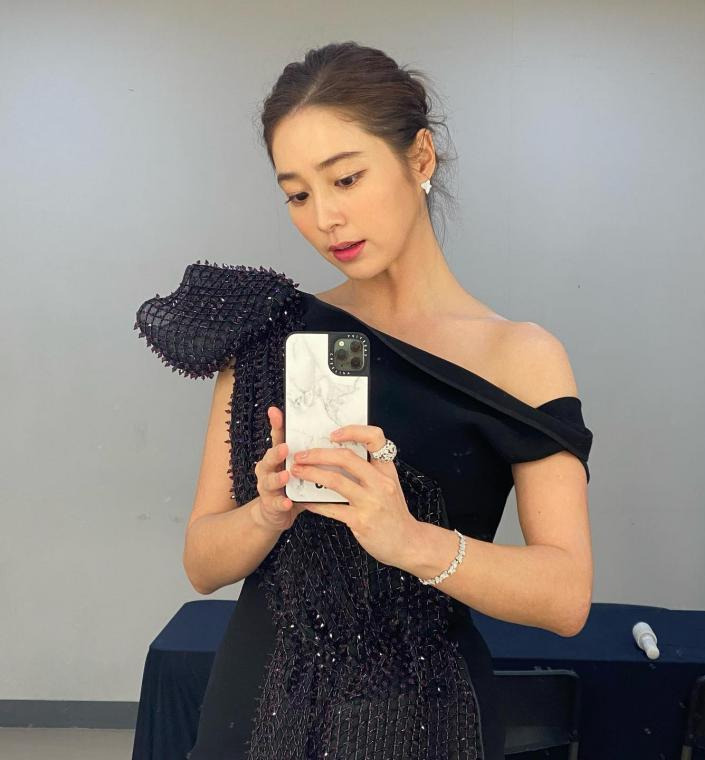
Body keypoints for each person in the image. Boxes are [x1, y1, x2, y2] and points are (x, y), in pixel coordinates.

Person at [134, 41, 594, 760]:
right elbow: (202, 562)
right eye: (298, 194)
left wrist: (410, 540)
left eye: (346, 178)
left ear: (420, 158)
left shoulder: (521, 357)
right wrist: (267, 511)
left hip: (423, 721)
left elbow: (565, 597)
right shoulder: (266, 330)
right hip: (253, 713)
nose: (325, 217)